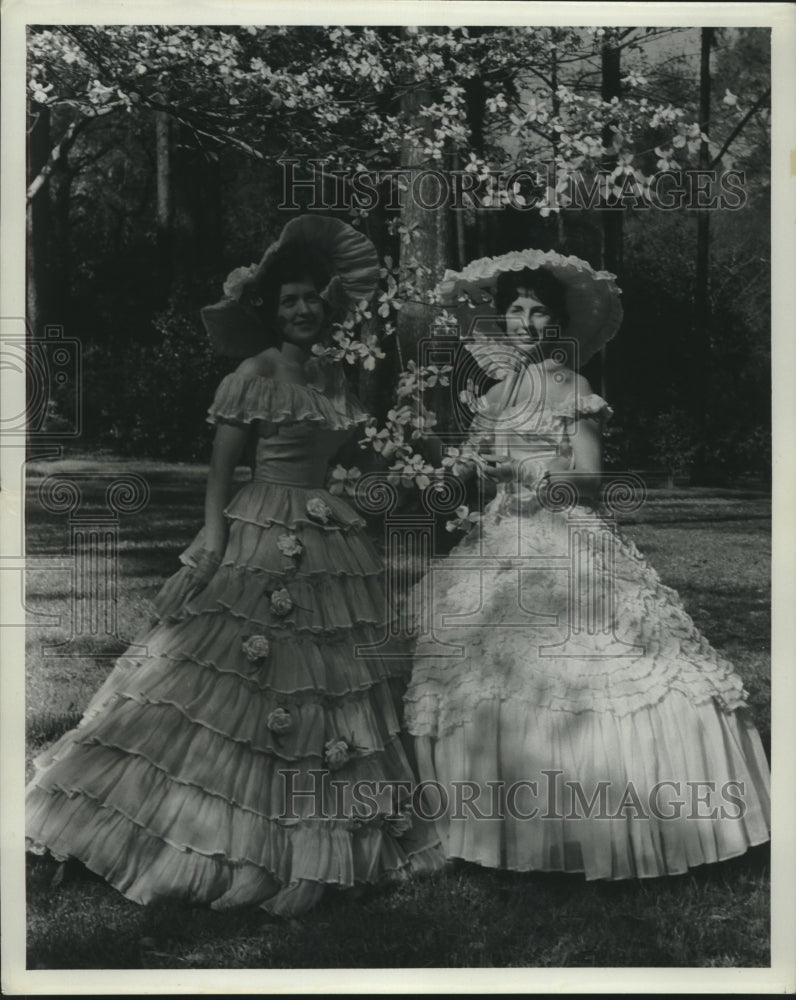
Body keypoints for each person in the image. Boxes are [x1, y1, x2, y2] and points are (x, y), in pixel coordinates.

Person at [26, 215, 442, 917]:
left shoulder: (333, 375)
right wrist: (214, 543)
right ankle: (192, 820)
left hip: (326, 534)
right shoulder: (254, 373)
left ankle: (315, 819)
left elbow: (344, 460)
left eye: (312, 299)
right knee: (222, 677)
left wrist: (400, 448)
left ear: (329, 305)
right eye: (289, 302)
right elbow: (222, 472)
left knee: (325, 683)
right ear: (270, 309)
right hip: (258, 529)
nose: (303, 310)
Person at [404, 248, 771, 879]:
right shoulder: (492, 396)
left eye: (538, 311)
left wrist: (527, 469)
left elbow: (593, 481)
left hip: (567, 533)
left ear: (556, 323)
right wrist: (460, 460)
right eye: (515, 311)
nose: (526, 322)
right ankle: (483, 827)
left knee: (606, 669)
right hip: (502, 538)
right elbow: (480, 477)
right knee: (475, 666)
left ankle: (610, 821)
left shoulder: (574, 388)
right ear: (501, 322)